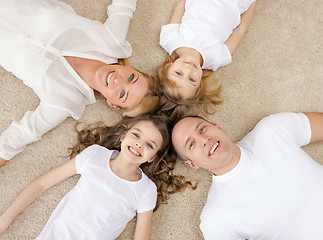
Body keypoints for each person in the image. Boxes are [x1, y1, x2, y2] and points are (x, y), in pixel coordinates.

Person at [0, 0, 160, 167]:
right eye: (131, 78)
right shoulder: (112, 42)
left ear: (113, 104)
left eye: (122, 94)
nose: (117, 81)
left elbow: (18, 137)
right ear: (132, 68)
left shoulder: (64, 101)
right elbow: (124, 4)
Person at [0, 115, 194, 239]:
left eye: (150, 145)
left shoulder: (146, 190)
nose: (139, 144)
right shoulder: (95, 156)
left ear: (152, 158)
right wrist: (5, 220)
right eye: (136, 135)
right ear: (123, 136)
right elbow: (41, 184)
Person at [171, 112, 323, 239]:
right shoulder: (215, 218)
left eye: (202, 129)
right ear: (192, 164)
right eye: (191, 144)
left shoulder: (272, 129)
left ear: (216, 126)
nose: (204, 140)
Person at [158, 0, 256, 113]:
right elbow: (240, 30)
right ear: (199, 83)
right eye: (192, 79)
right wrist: (252, 4)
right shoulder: (217, 58)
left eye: (178, 73)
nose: (188, 70)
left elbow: (181, 6)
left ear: (168, 67)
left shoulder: (170, 40)